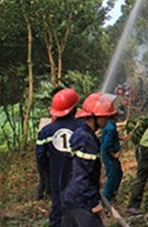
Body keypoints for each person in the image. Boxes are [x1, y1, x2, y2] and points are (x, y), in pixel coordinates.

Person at [61, 93, 117, 226]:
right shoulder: (87, 140)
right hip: (82, 200)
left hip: (69, 196)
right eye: (104, 116)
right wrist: (93, 203)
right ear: (92, 117)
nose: (107, 119)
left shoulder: (81, 133)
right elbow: (83, 175)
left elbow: (78, 169)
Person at [35, 88, 83, 227]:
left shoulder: (46, 131)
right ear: (74, 109)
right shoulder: (82, 128)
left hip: (57, 179)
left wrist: (50, 171)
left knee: (57, 212)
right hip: (79, 180)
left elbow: (40, 156)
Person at [101, 112, 123, 203]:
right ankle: (106, 199)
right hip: (109, 155)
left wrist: (121, 138)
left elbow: (111, 138)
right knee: (112, 175)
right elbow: (106, 145)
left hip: (109, 153)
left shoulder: (110, 125)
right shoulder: (111, 128)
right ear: (114, 116)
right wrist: (113, 154)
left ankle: (112, 194)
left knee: (118, 173)